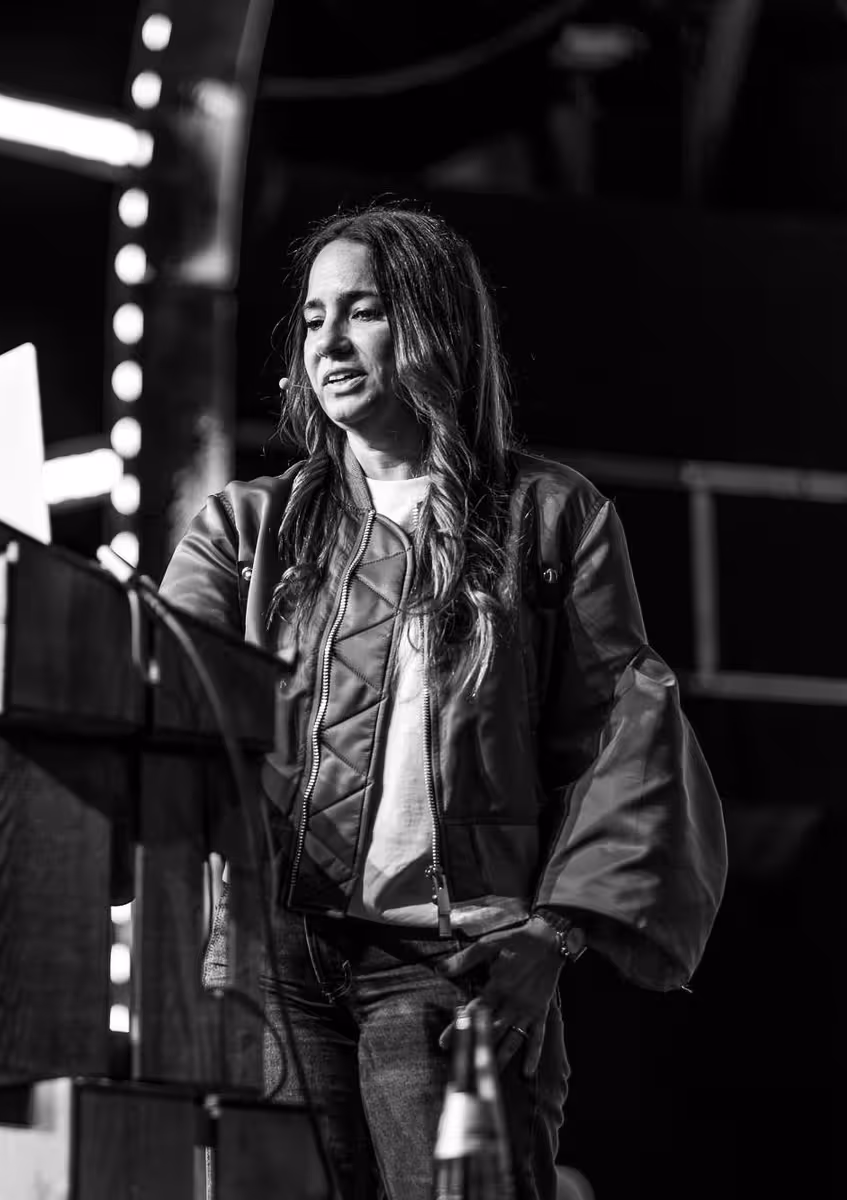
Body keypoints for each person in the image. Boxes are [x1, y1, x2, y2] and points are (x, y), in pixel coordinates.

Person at [160, 202, 728, 1200]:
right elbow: (156, 689)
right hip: (276, 972)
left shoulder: (550, 521)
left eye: (364, 311)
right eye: (313, 317)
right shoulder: (250, 533)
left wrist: (554, 939)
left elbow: (626, 739)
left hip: (454, 967)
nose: (329, 340)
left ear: (433, 327)